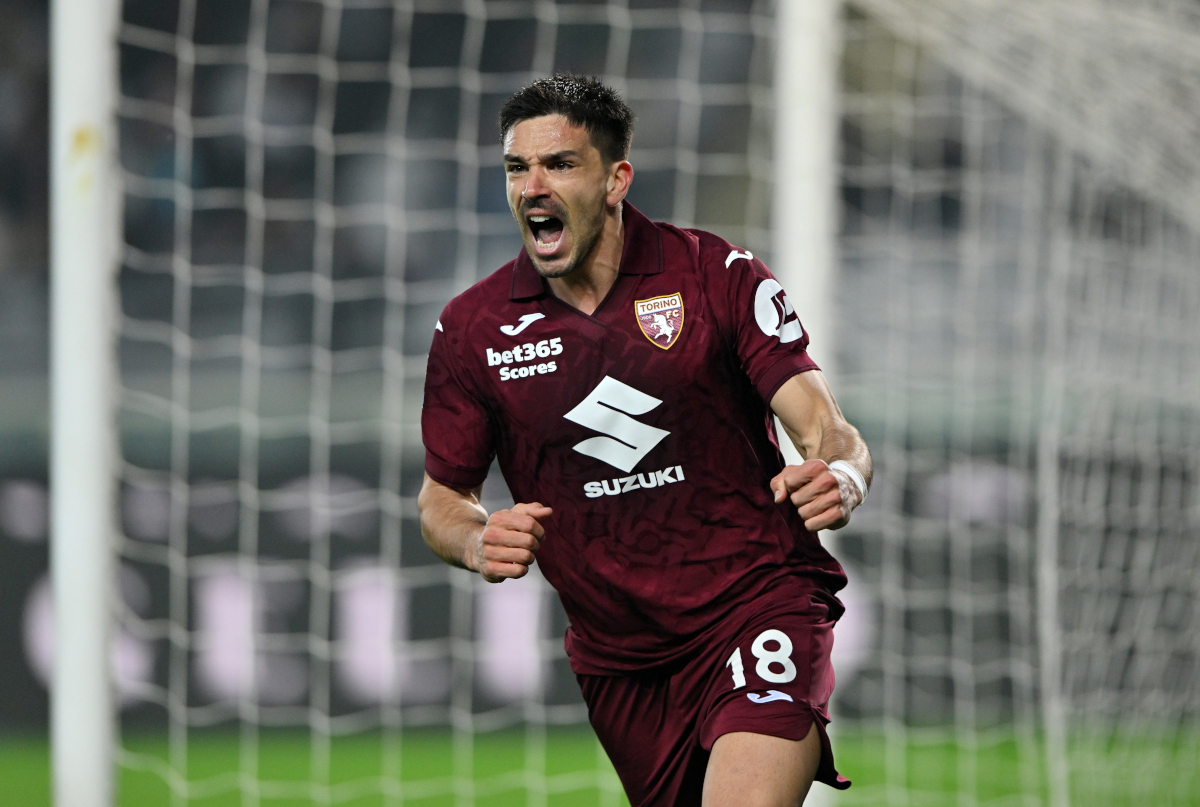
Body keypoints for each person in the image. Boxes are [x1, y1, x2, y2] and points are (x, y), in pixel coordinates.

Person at [418, 75, 871, 807]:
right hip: (621, 660)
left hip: (756, 603)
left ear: (615, 179)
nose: (533, 186)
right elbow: (443, 495)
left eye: (560, 164)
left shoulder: (714, 275)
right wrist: (474, 540)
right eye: (516, 167)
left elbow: (825, 426)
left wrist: (842, 475)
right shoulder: (474, 330)